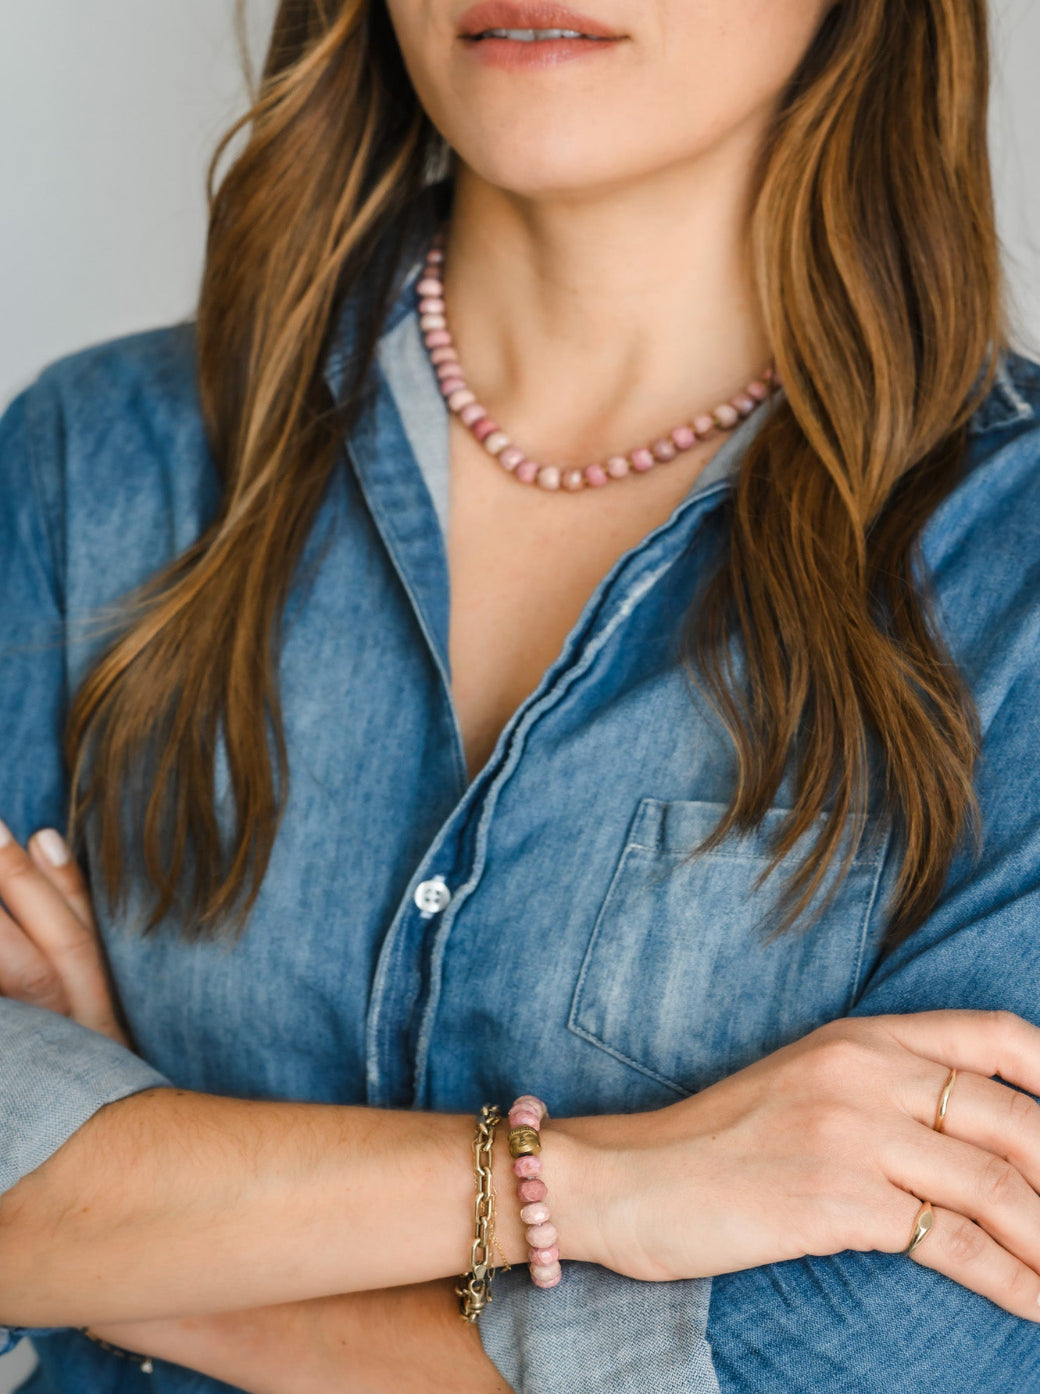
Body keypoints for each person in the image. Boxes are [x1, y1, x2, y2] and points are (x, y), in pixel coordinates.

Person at [0, 0, 1039, 1389]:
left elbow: (899, 1355)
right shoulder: (93, 469)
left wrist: (122, 1228)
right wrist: (606, 1184)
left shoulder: (1015, 571)